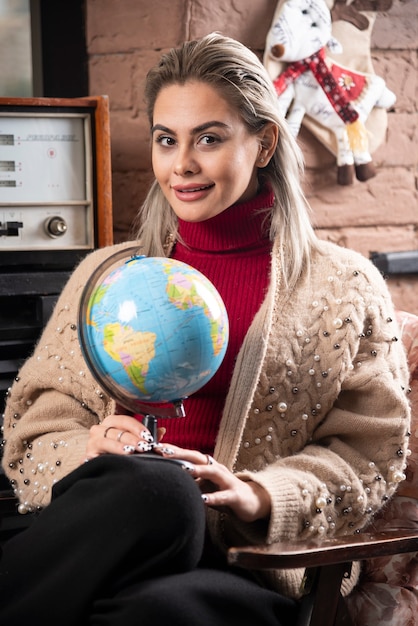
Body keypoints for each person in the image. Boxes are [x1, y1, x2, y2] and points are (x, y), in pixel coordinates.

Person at [0, 32, 411, 626]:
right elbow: (35, 426)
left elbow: (371, 454)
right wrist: (88, 452)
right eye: (168, 140)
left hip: (249, 563)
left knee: (158, 553)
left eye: (209, 139)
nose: (182, 164)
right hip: (116, 541)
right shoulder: (105, 276)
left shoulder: (345, 287)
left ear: (265, 142)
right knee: (157, 495)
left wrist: (259, 496)